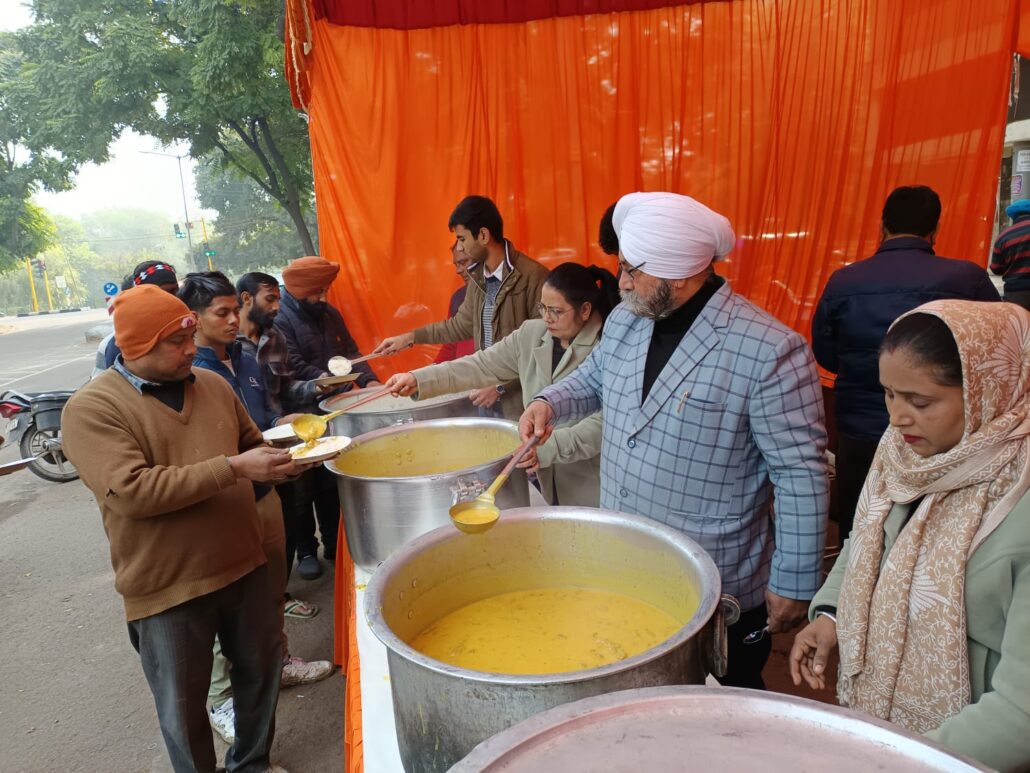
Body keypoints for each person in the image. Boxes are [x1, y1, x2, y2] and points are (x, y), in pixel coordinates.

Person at [520, 192, 829, 689]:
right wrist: (549, 403)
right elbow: (595, 380)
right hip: (624, 556)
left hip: (713, 574)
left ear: (680, 274)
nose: (619, 283)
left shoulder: (769, 350)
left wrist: (793, 581)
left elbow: (799, 474)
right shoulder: (626, 320)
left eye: (632, 271)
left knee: (721, 703)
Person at [790, 301, 1030, 773]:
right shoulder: (902, 454)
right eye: (889, 395)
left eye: (920, 402)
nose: (898, 418)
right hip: (886, 734)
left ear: (989, 391)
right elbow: (869, 535)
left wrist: (898, 760)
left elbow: (1020, 713)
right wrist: (835, 613)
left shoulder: (1017, 497)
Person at [62, 285, 294, 773]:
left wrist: (288, 458)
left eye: (191, 336)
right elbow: (132, 491)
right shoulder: (92, 408)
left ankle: (251, 764)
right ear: (136, 346)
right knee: (184, 711)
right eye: (176, 342)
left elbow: (252, 443)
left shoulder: (211, 385)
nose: (192, 349)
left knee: (259, 678)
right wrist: (233, 468)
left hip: (243, 561)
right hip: (169, 587)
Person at [178, 271, 333, 743]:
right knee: (228, 606)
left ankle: (279, 661)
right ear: (194, 319)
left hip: (268, 493)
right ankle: (222, 700)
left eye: (232, 310)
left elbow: (264, 415)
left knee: (270, 591)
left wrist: (288, 423)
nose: (232, 320)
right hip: (225, 505)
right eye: (220, 313)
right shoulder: (190, 373)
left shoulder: (245, 356)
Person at [812, 186, 999, 546]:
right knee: (932, 537)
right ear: (935, 229)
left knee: (860, 528)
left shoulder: (845, 280)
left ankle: (853, 596)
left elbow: (826, 355)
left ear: (882, 226)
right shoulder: (967, 278)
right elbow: (991, 356)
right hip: (943, 433)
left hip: (860, 427)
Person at [386, 263, 620, 507]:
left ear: (585, 310)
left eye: (556, 311)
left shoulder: (607, 346)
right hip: (548, 484)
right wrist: (419, 379)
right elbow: (480, 365)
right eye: (542, 307)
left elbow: (605, 423)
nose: (546, 317)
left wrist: (548, 449)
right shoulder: (531, 334)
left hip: (595, 485)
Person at [373, 195, 550, 420]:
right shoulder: (478, 278)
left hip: (522, 407)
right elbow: (459, 326)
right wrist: (409, 338)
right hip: (484, 400)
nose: (460, 246)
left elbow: (543, 349)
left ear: (483, 235)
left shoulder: (534, 277)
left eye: (462, 238)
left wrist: (499, 387)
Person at [273, 256, 381, 579]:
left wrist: (370, 380)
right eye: (316, 292)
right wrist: (324, 379)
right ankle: (306, 549)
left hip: (335, 409)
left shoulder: (330, 314)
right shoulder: (281, 320)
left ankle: (333, 543)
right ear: (299, 289)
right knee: (302, 484)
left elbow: (350, 354)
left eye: (325, 291)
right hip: (298, 412)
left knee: (330, 479)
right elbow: (289, 367)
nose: (323, 298)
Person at [92, 261, 179, 378]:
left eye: (174, 291)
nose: (171, 299)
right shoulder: (118, 343)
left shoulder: (187, 327)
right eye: (162, 293)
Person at [434, 241, 475, 363]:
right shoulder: (458, 297)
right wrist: (430, 371)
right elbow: (451, 345)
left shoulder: (505, 295)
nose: (458, 270)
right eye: (456, 264)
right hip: (462, 378)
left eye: (463, 263)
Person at [990, 198, 1030, 310]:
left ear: (1013, 216)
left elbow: (996, 269)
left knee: (1019, 327)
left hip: (1017, 295)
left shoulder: (1003, 237)